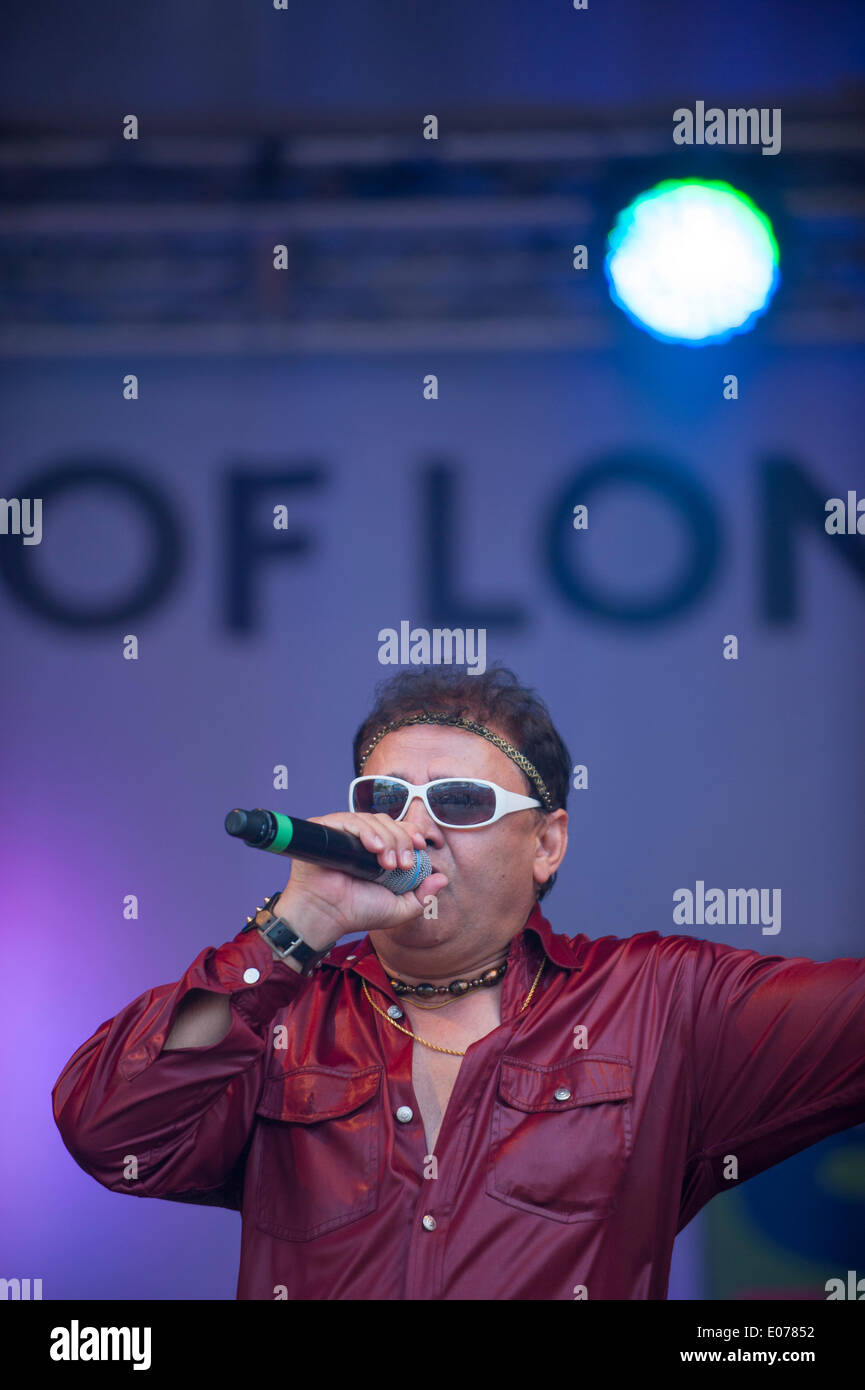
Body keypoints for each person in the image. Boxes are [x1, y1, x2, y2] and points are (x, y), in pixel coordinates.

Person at [53, 666, 865, 1299]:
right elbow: (110, 1129)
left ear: (547, 844)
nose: (416, 828)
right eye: (385, 798)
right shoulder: (279, 1015)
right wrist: (294, 926)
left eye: (461, 801)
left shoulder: (663, 1005)